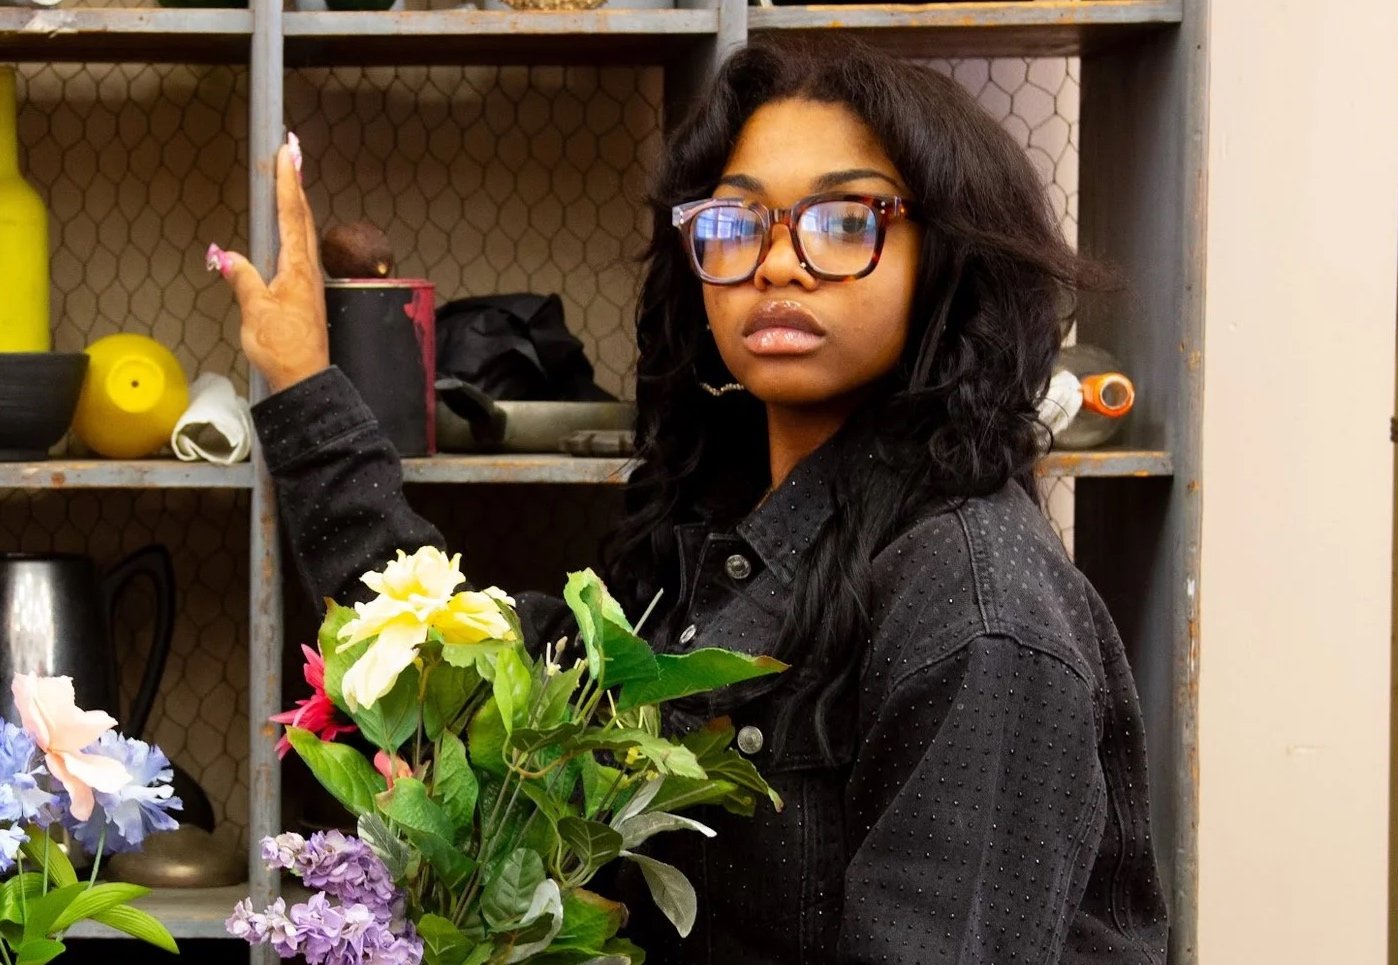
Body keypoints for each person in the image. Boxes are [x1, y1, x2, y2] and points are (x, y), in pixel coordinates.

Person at [213, 37, 1167, 965]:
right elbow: (464, 682)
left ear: (948, 257)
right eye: (735, 222)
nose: (778, 263)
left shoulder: (973, 603)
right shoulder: (726, 540)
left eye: (843, 221)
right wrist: (302, 378)